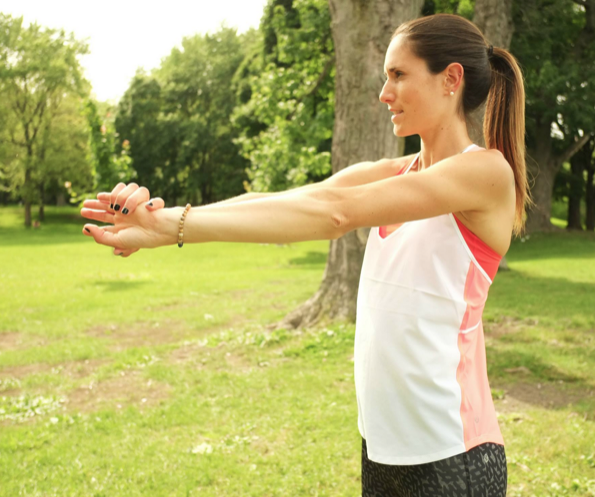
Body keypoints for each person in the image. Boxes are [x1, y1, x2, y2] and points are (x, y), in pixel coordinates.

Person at [81, 13, 531, 496]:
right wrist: (161, 225)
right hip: (383, 446)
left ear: (451, 78)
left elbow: (335, 213)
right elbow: (289, 201)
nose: (384, 93)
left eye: (399, 75)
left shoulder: (485, 173)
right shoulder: (394, 172)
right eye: (385, 76)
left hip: (452, 451)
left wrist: (176, 228)